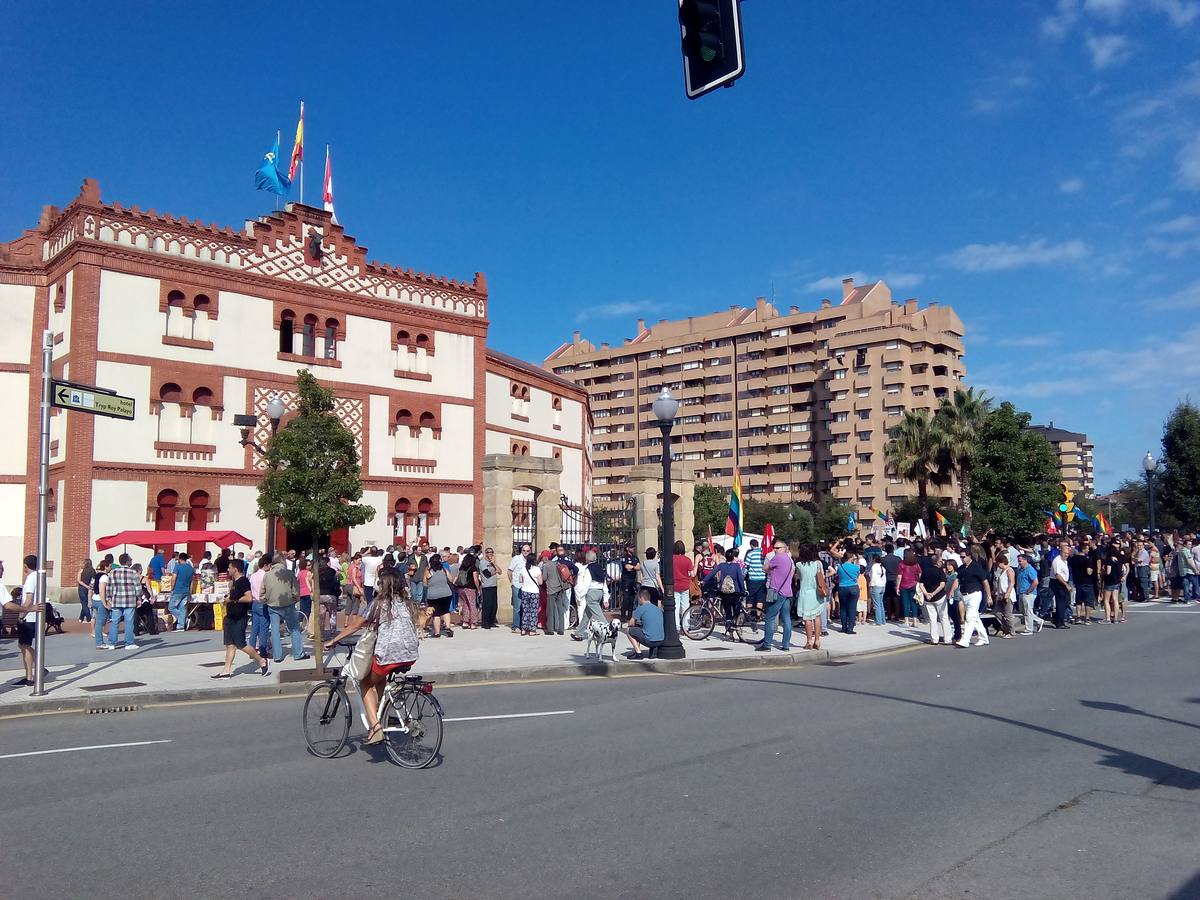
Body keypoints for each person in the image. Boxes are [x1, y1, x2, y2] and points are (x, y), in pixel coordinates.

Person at [324, 570, 420, 745]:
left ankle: (375, 727)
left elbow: (355, 625)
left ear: (381, 586)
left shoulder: (378, 604)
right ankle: (383, 710)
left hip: (389, 654)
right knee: (379, 676)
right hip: (410, 654)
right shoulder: (407, 603)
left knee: (365, 682)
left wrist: (334, 640)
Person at [211, 559, 269, 678]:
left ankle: (261, 660)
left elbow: (249, 598)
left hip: (239, 617)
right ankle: (226, 671)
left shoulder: (243, 581)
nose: (228, 570)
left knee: (240, 644)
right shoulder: (234, 582)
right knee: (229, 644)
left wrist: (232, 599)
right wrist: (228, 598)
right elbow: (234, 596)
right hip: (230, 616)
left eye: (229, 567)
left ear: (235, 569)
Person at [6, 556, 45, 685]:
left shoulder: (30, 579)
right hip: (35, 617)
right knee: (24, 645)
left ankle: (31, 675)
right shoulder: (39, 577)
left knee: (25, 645)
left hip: (29, 617)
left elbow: (28, 599)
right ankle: (35, 670)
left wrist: (22, 615)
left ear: (25, 566)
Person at [262, 553, 308, 663]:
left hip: (273, 605)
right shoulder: (289, 573)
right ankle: (298, 653)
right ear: (283, 561)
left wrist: (265, 600)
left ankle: (277, 656)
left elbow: (262, 591)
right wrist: (295, 599)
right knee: (294, 629)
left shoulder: (267, 575)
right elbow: (296, 590)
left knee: (275, 630)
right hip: (288, 604)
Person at [759, 539, 795, 652]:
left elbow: (764, 568)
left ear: (784, 549)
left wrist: (769, 569)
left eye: (777, 548)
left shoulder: (777, 557)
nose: (774, 549)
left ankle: (767, 644)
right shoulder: (789, 559)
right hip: (786, 591)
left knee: (769, 617)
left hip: (774, 590)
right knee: (786, 618)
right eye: (774, 547)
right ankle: (786, 644)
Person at [703, 548, 745, 639]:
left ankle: (730, 633)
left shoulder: (722, 565)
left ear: (725, 557)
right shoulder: (736, 566)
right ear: (733, 557)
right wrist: (743, 590)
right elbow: (740, 579)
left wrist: (704, 581)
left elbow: (712, 573)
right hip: (735, 592)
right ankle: (736, 627)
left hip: (724, 592)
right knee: (736, 611)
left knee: (727, 611)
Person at [955, 546, 993, 648]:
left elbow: (985, 582)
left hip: (975, 594)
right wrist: (951, 592)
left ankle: (965, 640)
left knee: (970, 618)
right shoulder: (961, 568)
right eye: (960, 557)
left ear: (969, 556)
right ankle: (984, 638)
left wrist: (989, 596)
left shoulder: (976, 567)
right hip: (964, 595)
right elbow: (957, 581)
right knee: (975, 618)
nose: (961, 559)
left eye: (963, 557)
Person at [572, 550, 608, 640]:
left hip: (592, 592)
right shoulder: (600, 567)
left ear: (587, 558)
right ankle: (579, 633)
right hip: (599, 592)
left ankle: (608, 630)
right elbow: (604, 583)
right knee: (587, 614)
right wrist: (606, 597)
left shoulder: (588, 569)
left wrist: (580, 596)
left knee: (598, 614)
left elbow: (586, 584)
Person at [795, 545, 826, 650]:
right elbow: (822, 576)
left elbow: (798, 577)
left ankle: (809, 641)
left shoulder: (799, 565)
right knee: (817, 617)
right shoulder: (818, 564)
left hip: (805, 593)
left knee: (807, 618)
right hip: (816, 593)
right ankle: (817, 640)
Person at [918, 553, 951, 645]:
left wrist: (926, 593)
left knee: (932, 619)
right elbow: (942, 584)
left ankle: (934, 639)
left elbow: (920, 584)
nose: (942, 562)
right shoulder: (940, 571)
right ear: (938, 562)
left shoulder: (925, 571)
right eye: (941, 561)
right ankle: (947, 639)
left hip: (928, 599)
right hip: (939, 597)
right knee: (944, 617)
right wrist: (934, 593)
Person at [625, 589, 664, 659]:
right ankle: (653, 650)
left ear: (641, 598)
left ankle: (638, 652)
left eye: (638, 598)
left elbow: (631, 623)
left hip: (649, 640)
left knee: (629, 630)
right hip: (660, 640)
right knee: (646, 629)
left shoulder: (641, 608)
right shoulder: (658, 609)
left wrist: (636, 623)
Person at [423, 555, 455, 638]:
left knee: (436, 614)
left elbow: (425, 584)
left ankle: (437, 633)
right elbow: (451, 579)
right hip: (446, 593)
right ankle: (448, 627)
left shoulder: (428, 571)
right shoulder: (444, 569)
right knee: (445, 611)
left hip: (433, 595)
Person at [1016, 553, 1044, 634]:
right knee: (1024, 611)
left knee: (1028, 611)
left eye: (1020, 561)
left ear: (1025, 560)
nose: (1019, 562)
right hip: (1021, 592)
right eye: (1018, 561)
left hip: (1028, 593)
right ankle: (1039, 620)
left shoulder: (1030, 570)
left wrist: (1029, 590)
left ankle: (1029, 629)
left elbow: (1035, 582)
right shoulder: (1021, 569)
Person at [835, 551, 861, 635]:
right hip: (853, 587)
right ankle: (850, 628)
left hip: (842, 587)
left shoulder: (840, 567)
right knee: (852, 608)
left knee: (843, 608)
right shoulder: (856, 567)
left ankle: (844, 627)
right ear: (850, 558)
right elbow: (857, 576)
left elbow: (839, 576)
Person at [992, 552, 1016, 638]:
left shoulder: (1009, 570)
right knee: (996, 612)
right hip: (1001, 594)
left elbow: (1012, 582)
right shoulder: (1002, 571)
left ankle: (1011, 632)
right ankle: (1006, 629)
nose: (998, 564)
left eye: (998, 562)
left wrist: (1008, 593)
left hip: (1007, 594)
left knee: (1008, 614)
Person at [518, 551, 542, 635]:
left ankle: (524, 629)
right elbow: (540, 582)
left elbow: (520, 580)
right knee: (533, 611)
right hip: (534, 591)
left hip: (525, 590)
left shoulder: (523, 569)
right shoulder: (537, 569)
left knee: (525, 610)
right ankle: (532, 629)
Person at [508, 543, 531, 632]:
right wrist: (513, 583)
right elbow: (509, 571)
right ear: (521, 551)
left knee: (525, 607)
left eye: (527, 551)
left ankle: (523, 625)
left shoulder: (530, 560)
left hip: (526, 586)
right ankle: (516, 626)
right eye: (524, 550)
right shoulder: (516, 559)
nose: (525, 552)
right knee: (517, 607)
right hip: (517, 585)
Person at [671, 541, 694, 629]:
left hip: (675, 585)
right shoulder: (687, 559)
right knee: (685, 606)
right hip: (685, 584)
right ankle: (686, 626)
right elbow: (692, 574)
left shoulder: (671, 559)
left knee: (676, 607)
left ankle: (676, 626)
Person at [457, 552, 481, 630]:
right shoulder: (473, 568)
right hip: (470, 588)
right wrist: (478, 588)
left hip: (461, 588)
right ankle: (473, 623)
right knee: (472, 605)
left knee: (465, 605)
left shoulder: (462, 567)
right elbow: (475, 579)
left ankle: (465, 622)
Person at [1101, 544, 1125, 624]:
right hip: (1117, 580)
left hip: (1109, 581)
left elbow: (1108, 571)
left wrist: (1103, 573)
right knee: (1115, 599)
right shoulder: (1119, 558)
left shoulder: (1109, 559)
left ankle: (1108, 618)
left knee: (1106, 600)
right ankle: (1115, 618)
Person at [898, 549, 921, 627]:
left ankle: (906, 621)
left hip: (904, 584)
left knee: (905, 603)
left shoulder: (902, 563)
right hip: (914, 584)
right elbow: (920, 574)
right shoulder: (916, 564)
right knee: (913, 602)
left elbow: (899, 576)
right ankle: (915, 621)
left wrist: (897, 587)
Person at [478, 548, 500, 629]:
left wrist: (494, 564)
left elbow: (500, 571)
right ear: (485, 553)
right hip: (487, 586)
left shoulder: (492, 563)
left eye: (491, 552)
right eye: (488, 552)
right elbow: (487, 574)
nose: (490, 554)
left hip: (494, 585)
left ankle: (492, 621)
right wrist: (496, 571)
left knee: (494, 605)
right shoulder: (483, 562)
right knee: (487, 605)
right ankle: (485, 623)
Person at [744, 539, 766, 612]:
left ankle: (748, 615)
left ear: (751, 545)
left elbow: (746, 566)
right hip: (762, 579)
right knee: (760, 599)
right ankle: (758, 616)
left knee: (750, 598)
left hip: (752, 579)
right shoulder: (763, 553)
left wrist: (743, 575)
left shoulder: (750, 554)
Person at [620, 544, 641, 621]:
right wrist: (634, 567)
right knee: (626, 598)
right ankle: (623, 614)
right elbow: (627, 567)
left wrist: (632, 567)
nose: (633, 548)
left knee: (632, 598)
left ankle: (629, 615)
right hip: (626, 580)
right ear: (627, 548)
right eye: (631, 547)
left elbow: (639, 567)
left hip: (633, 580)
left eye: (633, 547)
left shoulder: (635, 557)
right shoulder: (624, 557)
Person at [867, 553, 886, 626]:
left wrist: (871, 586)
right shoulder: (882, 567)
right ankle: (882, 620)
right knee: (881, 604)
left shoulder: (874, 567)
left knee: (877, 605)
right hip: (882, 585)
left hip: (876, 585)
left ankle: (878, 621)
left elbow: (873, 577)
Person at [76, 558, 95, 623]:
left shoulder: (81, 570)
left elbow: (79, 580)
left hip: (82, 588)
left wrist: (85, 586)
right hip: (89, 588)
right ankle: (81, 618)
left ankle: (88, 618)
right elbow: (93, 580)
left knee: (84, 603)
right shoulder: (93, 571)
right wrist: (90, 587)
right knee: (85, 603)